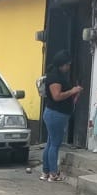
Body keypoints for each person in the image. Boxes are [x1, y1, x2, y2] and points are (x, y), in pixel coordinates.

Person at [40, 52, 82, 182]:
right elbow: (57, 96)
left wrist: (74, 95)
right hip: (56, 114)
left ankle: (46, 172)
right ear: (62, 65)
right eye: (67, 64)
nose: (68, 67)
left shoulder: (57, 76)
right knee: (55, 144)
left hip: (55, 113)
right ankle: (53, 173)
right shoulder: (55, 78)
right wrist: (72, 91)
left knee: (50, 143)